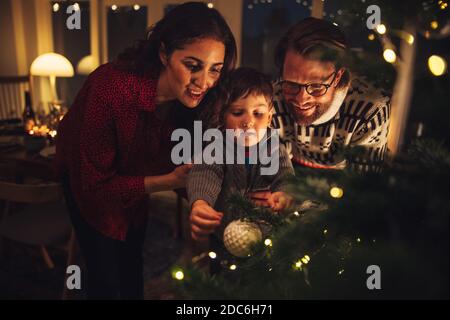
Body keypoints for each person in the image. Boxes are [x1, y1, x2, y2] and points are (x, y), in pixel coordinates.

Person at [55, 2, 236, 299]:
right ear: (164, 53)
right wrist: (168, 181)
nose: (203, 82)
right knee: (105, 277)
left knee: (131, 260)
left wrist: (217, 200)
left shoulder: (201, 102)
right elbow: (95, 186)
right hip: (86, 184)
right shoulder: (110, 88)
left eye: (214, 70)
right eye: (192, 66)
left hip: (134, 187)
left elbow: (195, 171)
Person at [251, 17, 391, 206]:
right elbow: (265, 177)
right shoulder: (272, 99)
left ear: (338, 76)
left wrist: (297, 199)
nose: (301, 100)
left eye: (316, 86)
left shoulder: (370, 110)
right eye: (291, 84)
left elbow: (362, 195)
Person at [188, 68, 294, 247]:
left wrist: (284, 195)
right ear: (224, 116)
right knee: (220, 271)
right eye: (238, 113)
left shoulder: (274, 148)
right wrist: (200, 203)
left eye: (257, 114)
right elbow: (205, 172)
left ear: (269, 118)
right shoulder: (218, 145)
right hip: (224, 232)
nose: (248, 122)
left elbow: (286, 177)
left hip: (265, 234)